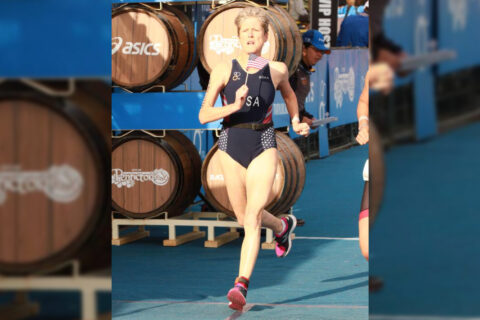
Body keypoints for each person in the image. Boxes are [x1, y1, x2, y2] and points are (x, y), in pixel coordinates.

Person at [198, 6, 310, 311]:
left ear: (265, 37)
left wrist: (297, 117)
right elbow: (204, 113)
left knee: (253, 214)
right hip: (229, 141)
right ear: (238, 36)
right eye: (244, 30)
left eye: (255, 31)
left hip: (263, 139)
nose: (249, 34)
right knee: (243, 216)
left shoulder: (277, 69)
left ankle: (241, 284)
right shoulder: (223, 69)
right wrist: (231, 106)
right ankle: (281, 227)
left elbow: (288, 95)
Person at [289, 29, 331, 128]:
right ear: (304, 49)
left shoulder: (305, 70)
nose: (320, 55)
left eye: (322, 52)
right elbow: (283, 102)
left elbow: (299, 106)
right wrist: (300, 118)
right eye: (316, 50)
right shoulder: (292, 70)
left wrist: (309, 118)